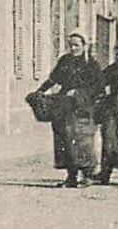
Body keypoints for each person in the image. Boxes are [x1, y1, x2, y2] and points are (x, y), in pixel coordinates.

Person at [36, 33, 103, 187]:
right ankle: (71, 176)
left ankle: (87, 174)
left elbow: (98, 86)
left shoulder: (91, 65)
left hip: (83, 107)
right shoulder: (65, 61)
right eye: (71, 45)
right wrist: (41, 90)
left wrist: (80, 92)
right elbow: (54, 79)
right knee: (64, 139)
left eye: (76, 45)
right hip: (65, 104)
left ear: (84, 46)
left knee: (83, 140)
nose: (73, 48)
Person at [94, 40, 118, 185]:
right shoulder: (112, 69)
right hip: (112, 107)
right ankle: (105, 173)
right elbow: (99, 83)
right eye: (117, 54)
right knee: (108, 139)